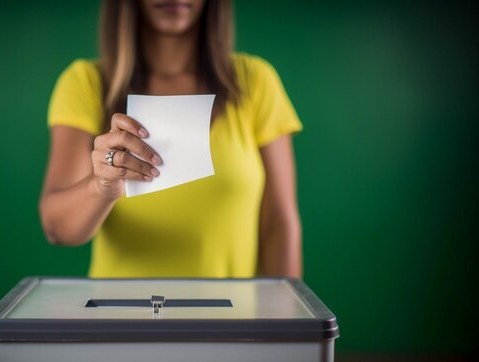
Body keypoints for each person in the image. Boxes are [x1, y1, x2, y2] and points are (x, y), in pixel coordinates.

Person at [40, 0, 303, 278]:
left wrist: (288, 318)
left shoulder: (255, 81)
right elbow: (57, 228)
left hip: (232, 318)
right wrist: (102, 187)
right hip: (120, 318)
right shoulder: (86, 83)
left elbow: (280, 223)